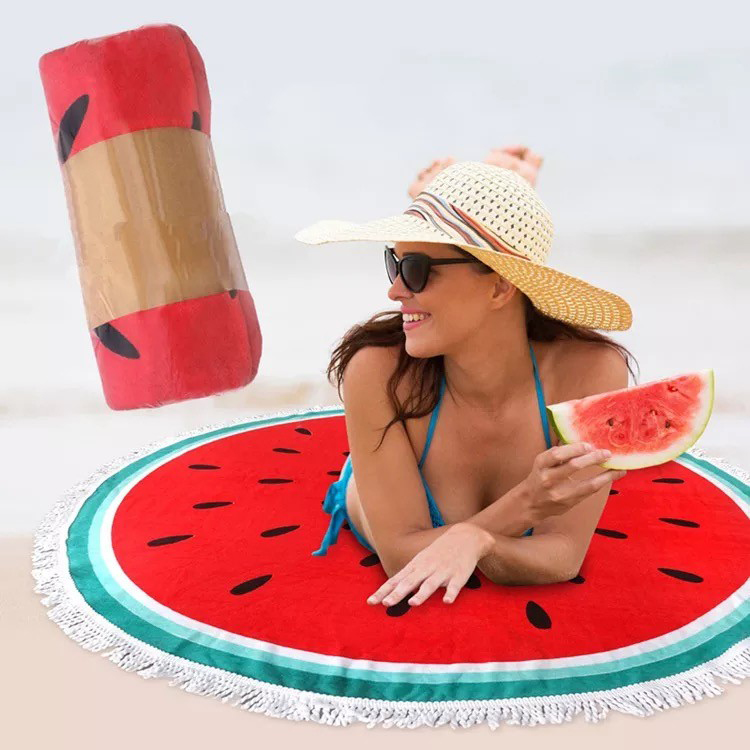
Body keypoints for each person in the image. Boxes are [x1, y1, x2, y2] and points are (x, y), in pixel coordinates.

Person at [294, 157, 638, 609]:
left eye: (416, 269)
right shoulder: (378, 371)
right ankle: (478, 193)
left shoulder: (593, 372)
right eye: (393, 263)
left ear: (499, 287)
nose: (394, 290)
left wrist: (480, 539)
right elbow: (400, 557)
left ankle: (495, 193)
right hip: (368, 494)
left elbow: (564, 557)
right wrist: (526, 503)